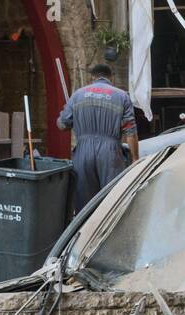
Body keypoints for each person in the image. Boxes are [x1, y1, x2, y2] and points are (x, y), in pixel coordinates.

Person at [59, 62, 140, 209]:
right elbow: (131, 131)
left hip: (83, 152)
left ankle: (86, 231)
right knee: (112, 201)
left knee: (84, 204)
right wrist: (135, 159)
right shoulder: (122, 96)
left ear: (92, 78)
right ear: (111, 78)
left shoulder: (78, 95)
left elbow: (62, 124)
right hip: (110, 153)